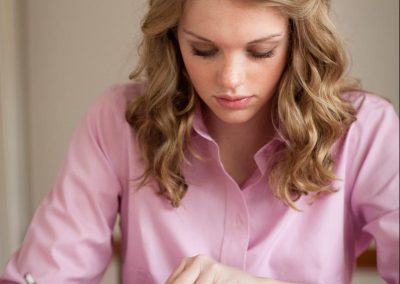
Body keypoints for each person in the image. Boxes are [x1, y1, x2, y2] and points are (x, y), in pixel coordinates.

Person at [1, 0, 398, 283]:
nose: (230, 79)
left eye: (261, 52)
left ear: (298, 42)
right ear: (173, 40)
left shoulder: (365, 132)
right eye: (203, 50)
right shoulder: (118, 121)